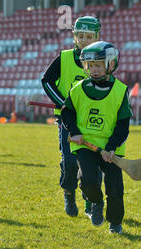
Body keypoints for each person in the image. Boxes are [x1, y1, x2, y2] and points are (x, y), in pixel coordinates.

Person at [61, 41, 132, 234]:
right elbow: (67, 113)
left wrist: (111, 147)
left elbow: (123, 125)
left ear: (110, 64)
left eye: (98, 65)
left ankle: (115, 222)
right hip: (85, 145)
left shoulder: (120, 91)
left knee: (115, 188)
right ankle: (96, 202)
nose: (94, 70)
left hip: (111, 148)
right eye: (90, 66)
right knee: (88, 182)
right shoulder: (78, 88)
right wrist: (74, 131)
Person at [41, 16, 102, 217]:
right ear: (74, 37)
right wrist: (62, 102)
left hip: (92, 122)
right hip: (67, 120)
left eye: (89, 36)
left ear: (97, 37)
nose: (84, 40)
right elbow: (47, 80)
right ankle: (69, 192)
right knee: (70, 161)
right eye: (81, 36)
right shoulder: (65, 58)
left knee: (91, 163)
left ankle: (89, 200)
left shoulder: (102, 61)